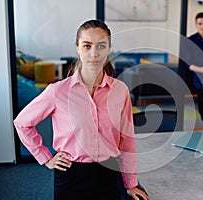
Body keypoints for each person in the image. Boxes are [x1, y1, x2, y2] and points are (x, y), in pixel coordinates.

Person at [14, 19, 149, 200]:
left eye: (101, 46)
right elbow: (22, 123)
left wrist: (131, 183)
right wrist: (45, 157)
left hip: (109, 174)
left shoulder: (120, 90)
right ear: (78, 48)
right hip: (71, 175)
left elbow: (127, 141)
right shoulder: (58, 91)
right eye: (87, 46)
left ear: (109, 48)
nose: (94, 53)